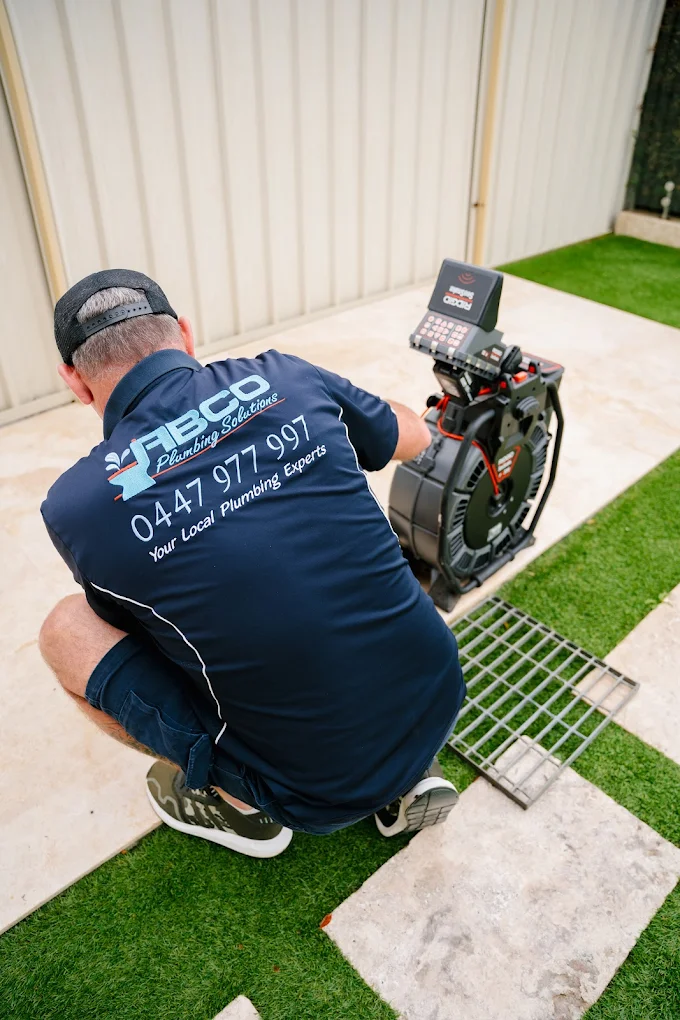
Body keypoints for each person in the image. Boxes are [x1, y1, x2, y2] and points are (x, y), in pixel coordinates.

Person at [39, 269, 466, 858]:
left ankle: (239, 803)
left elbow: (148, 641)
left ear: (74, 382)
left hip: (313, 789)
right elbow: (413, 437)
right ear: (185, 334)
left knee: (68, 630)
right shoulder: (287, 377)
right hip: (439, 690)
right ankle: (408, 769)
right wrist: (355, 413)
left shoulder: (78, 506)